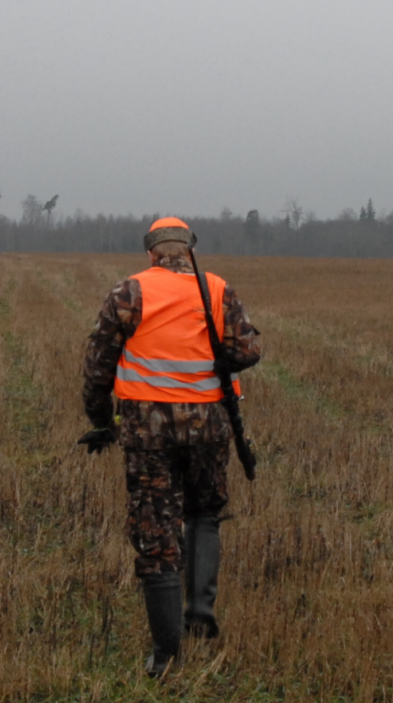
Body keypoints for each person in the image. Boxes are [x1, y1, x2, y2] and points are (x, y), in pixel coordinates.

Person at [79, 217, 262, 677]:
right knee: (204, 512)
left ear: (151, 253)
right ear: (190, 249)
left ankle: (166, 654)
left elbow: (98, 365)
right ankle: (200, 617)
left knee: (156, 529)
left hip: (149, 433)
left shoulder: (129, 292)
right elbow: (248, 352)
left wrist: (102, 421)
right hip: (209, 429)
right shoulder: (216, 288)